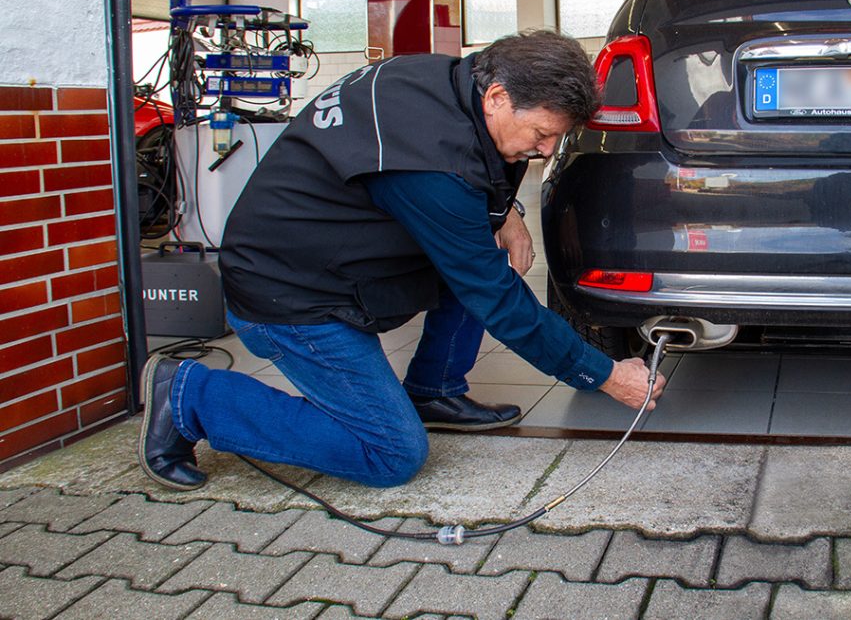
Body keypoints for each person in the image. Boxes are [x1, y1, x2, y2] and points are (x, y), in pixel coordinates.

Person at [139, 30, 667, 491]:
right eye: (541, 135)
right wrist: (601, 374)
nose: (547, 151)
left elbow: (462, 186)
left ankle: (433, 390)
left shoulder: (452, 81)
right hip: (290, 299)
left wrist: (506, 215)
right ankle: (191, 395)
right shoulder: (431, 163)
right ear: (500, 97)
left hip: (323, 257)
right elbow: (495, 298)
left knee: (474, 260)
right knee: (392, 453)